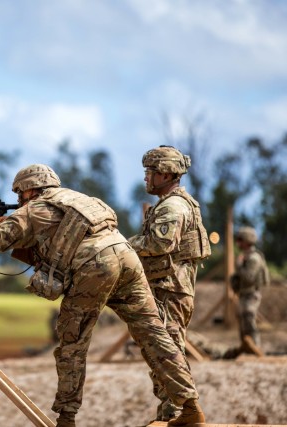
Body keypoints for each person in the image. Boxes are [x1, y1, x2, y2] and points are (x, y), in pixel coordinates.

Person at [0, 164, 205, 427]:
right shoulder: (80, 199)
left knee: (73, 341)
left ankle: (67, 418)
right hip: (126, 258)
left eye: (20, 194)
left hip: (96, 265)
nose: (19, 201)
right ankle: (190, 407)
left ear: (31, 189)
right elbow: (57, 240)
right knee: (154, 331)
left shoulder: (34, 208)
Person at [128, 145, 211, 422]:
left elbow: (160, 243)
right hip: (169, 287)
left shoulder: (173, 207)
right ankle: (171, 413)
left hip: (169, 289)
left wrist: (124, 245)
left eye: (150, 172)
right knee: (162, 352)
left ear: (165, 174)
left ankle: (181, 411)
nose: (146, 178)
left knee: (168, 352)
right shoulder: (170, 203)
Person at [230, 226, 270, 348]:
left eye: (240, 240)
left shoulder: (254, 258)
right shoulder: (246, 256)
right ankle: (246, 347)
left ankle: (255, 346)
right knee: (243, 321)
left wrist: (239, 265)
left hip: (251, 294)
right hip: (244, 294)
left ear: (247, 241)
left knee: (248, 318)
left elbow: (249, 277)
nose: (238, 243)